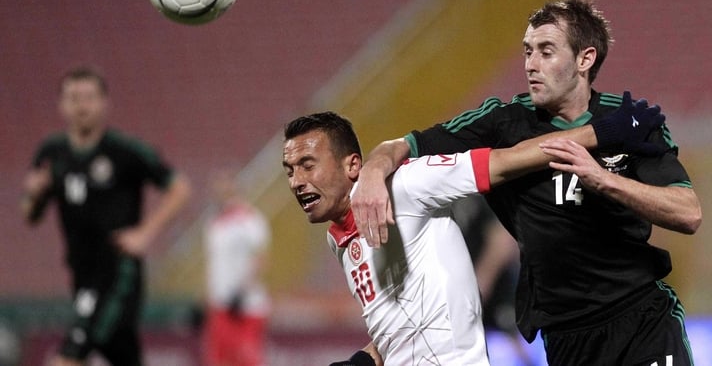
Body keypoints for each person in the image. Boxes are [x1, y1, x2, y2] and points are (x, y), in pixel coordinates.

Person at [351, 0, 703, 366]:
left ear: (585, 59)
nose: (531, 65)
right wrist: (374, 170)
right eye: (527, 51)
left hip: (639, 319)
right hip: (566, 336)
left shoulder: (629, 122)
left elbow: (688, 213)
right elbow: (404, 145)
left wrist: (603, 180)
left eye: (546, 52)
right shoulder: (504, 123)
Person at [281, 105, 662, 366]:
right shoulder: (338, 238)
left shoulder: (408, 185)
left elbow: (509, 159)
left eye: (307, 165)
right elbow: (399, 325)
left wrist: (606, 132)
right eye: (289, 171)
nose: (297, 181)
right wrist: (364, 360)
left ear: (352, 165)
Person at [20, 66, 192, 366]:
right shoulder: (52, 152)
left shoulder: (125, 151)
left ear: (104, 103)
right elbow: (30, 217)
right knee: (121, 353)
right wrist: (35, 194)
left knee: (67, 358)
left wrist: (145, 233)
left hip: (118, 272)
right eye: (73, 98)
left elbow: (179, 188)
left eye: (88, 98)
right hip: (81, 273)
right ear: (61, 105)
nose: (81, 105)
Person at [203, 168, 271, 366]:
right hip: (220, 304)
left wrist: (241, 292)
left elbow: (261, 258)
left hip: (246, 306)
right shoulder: (214, 223)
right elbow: (214, 263)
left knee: (246, 359)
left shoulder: (250, 220)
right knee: (219, 360)